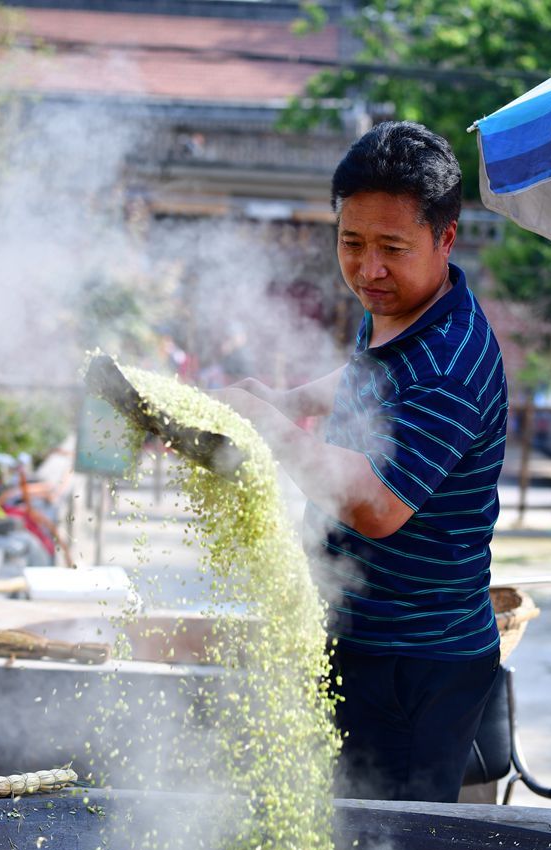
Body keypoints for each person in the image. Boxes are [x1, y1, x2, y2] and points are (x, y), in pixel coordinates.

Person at [214, 121, 507, 803]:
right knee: (336, 831)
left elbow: (377, 506)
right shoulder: (397, 306)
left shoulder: (451, 364)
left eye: (392, 249)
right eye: (352, 243)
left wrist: (272, 431)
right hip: (355, 628)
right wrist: (286, 401)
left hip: (415, 662)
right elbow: (367, 383)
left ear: (446, 237)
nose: (369, 269)